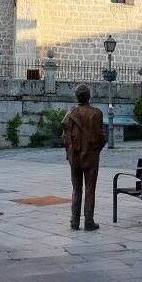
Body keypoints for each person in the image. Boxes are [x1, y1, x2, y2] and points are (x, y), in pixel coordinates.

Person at [61, 84, 107, 231]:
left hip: (74, 156)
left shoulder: (70, 114)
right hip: (91, 157)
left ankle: (74, 221)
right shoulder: (96, 113)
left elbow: (64, 137)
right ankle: (88, 221)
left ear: (76, 97)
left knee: (76, 189)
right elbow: (100, 137)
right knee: (90, 189)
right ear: (89, 96)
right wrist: (98, 147)